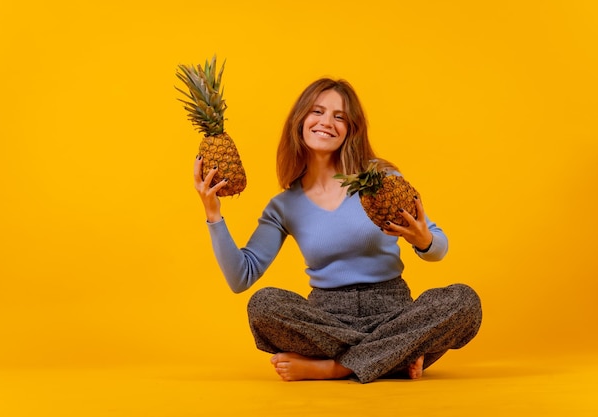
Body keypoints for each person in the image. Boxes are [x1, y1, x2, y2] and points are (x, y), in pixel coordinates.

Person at [193, 78, 482, 383]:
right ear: (300, 120)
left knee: (463, 301)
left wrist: (423, 240)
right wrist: (213, 212)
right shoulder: (284, 205)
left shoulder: (378, 179)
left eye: (339, 116)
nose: (326, 122)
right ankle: (394, 356)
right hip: (327, 319)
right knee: (263, 305)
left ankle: (337, 367)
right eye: (317, 112)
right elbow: (241, 278)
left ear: (351, 129)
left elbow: (439, 247)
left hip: (393, 310)